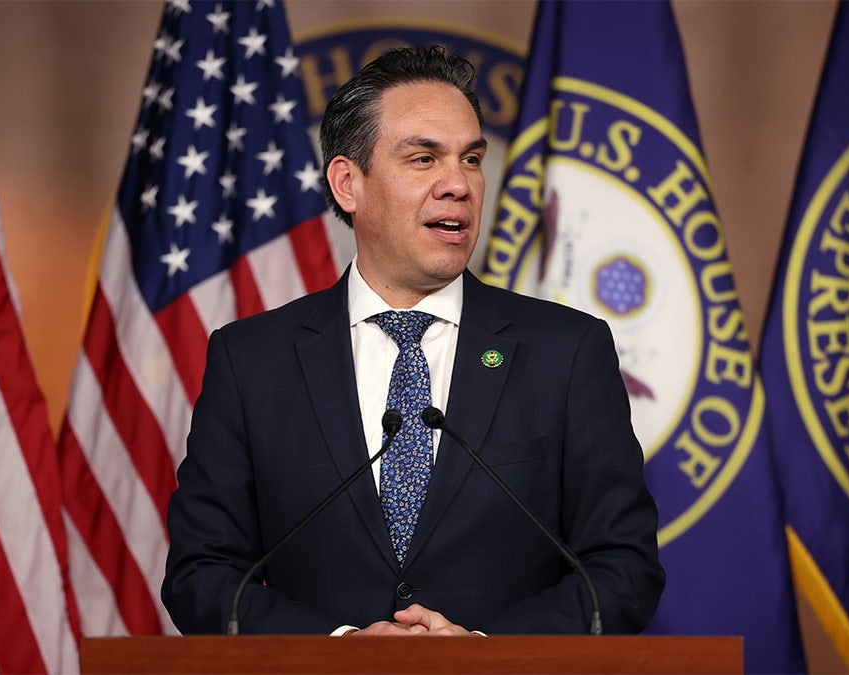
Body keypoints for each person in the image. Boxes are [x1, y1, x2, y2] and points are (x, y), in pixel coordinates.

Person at [162, 44, 664, 636]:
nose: (458, 184)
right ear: (349, 184)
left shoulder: (568, 352)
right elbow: (203, 573)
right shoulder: (250, 361)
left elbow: (623, 567)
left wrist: (482, 653)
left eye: (471, 159)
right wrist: (338, 651)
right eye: (424, 159)